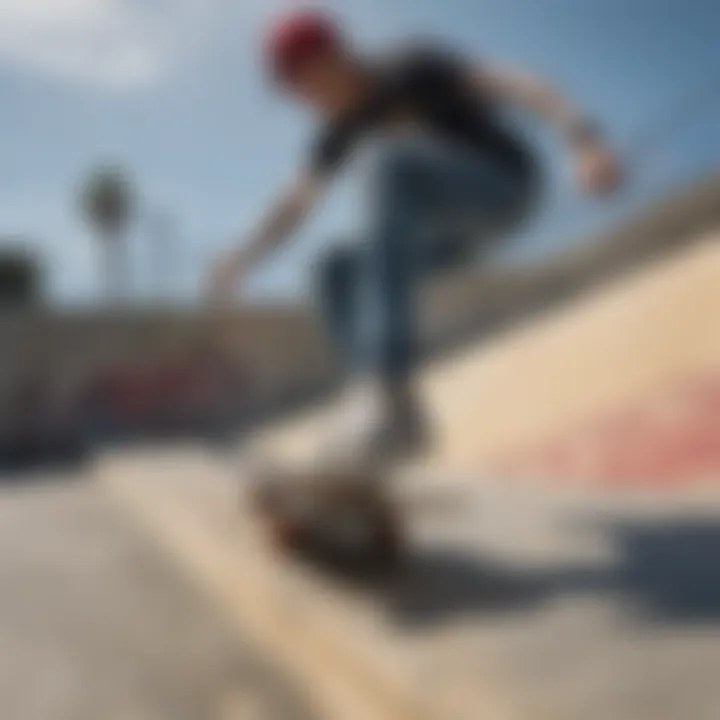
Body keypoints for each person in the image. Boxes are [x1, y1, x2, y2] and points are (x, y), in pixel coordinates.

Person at [206, 9, 622, 461]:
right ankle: (381, 409)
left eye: (303, 85)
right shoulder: (341, 128)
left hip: (502, 187)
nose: (305, 102)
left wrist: (582, 138)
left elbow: (512, 83)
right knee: (335, 269)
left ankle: (388, 389)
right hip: (451, 241)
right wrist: (243, 257)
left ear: (330, 57)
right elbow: (295, 202)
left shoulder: (409, 67)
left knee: (387, 160)